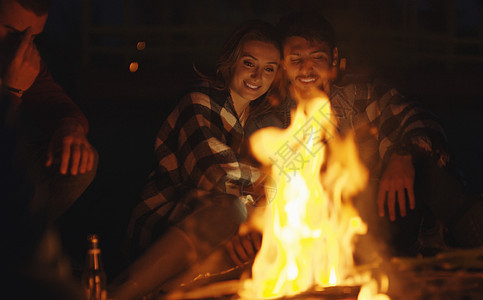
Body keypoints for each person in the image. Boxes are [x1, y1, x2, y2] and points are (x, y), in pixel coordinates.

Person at [248, 11, 483, 259]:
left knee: (427, 164)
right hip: (319, 240)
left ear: (334, 57)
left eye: (317, 57)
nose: (307, 68)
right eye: (296, 59)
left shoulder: (359, 97)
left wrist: (402, 155)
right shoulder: (269, 124)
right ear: (282, 63)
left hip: (383, 220)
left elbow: (418, 117)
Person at [107, 20, 283, 300]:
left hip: (223, 239)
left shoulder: (262, 125)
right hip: (164, 228)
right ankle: (116, 295)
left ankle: (165, 296)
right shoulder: (199, 100)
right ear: (231, 62)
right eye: (249, 63)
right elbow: (214, 175)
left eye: (269, 68)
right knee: (233, 209)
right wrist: (269, 185)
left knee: (271, 247)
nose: (257, 75)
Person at [0, 0, 97, 224]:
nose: (22, 47)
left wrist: (70, 127)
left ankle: (23, 248)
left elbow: (51, 99)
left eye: (32, 37)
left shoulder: (17, 52)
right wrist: (12, 90)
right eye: (12, 32)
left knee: (76, 161)